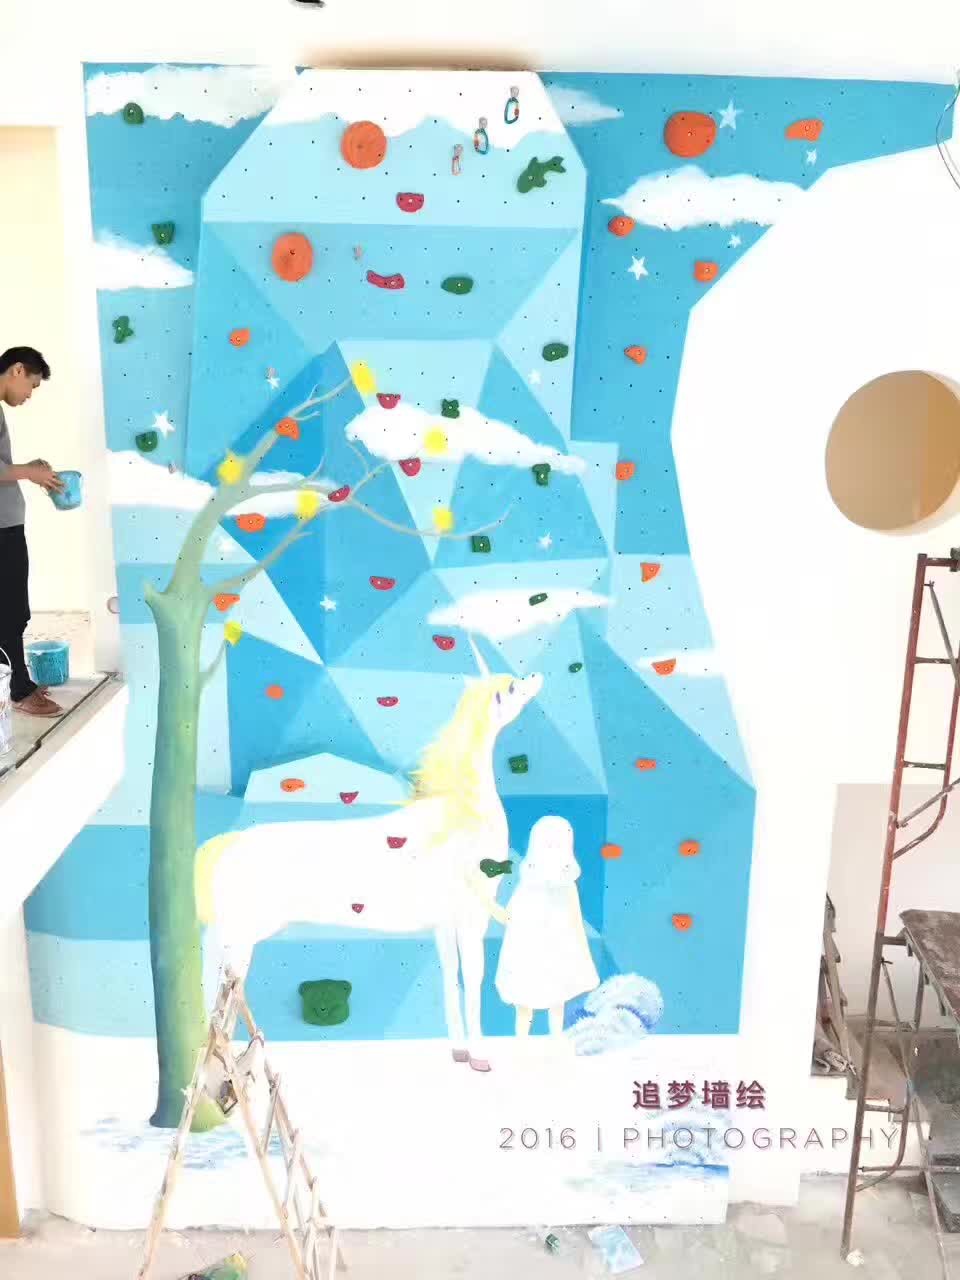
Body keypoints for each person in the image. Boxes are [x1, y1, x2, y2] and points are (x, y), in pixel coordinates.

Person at [0, 347, 65, 717]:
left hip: (7, 526)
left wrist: (29, 468)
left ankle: (16, 681)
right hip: (1, 530)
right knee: (10, 613)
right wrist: (29, 472)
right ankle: (18, 691)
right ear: (17, 370)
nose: (29, 395)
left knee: (13, 611)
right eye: (32, 385)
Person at [495, 814, 600, 1036]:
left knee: (546, 1005)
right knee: (531, 1006)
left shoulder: (562, 887)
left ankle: (545, 1043)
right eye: (547, 843)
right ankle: (530, 1045)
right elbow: (510, 918)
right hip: (531, 957)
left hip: (549, 957)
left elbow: (574, 926)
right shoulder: (532, 886)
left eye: (555, 844)